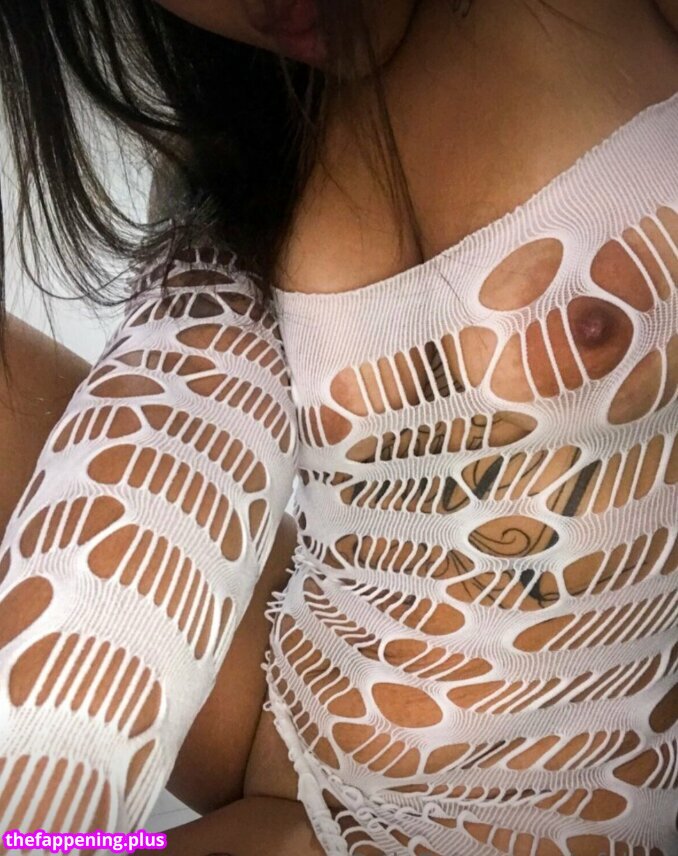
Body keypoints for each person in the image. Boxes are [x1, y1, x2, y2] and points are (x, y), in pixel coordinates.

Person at [0, 1, 676, 853]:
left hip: (571, 803)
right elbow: (175, 412)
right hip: (291, 736)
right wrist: (41, 808)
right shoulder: (250, 124)